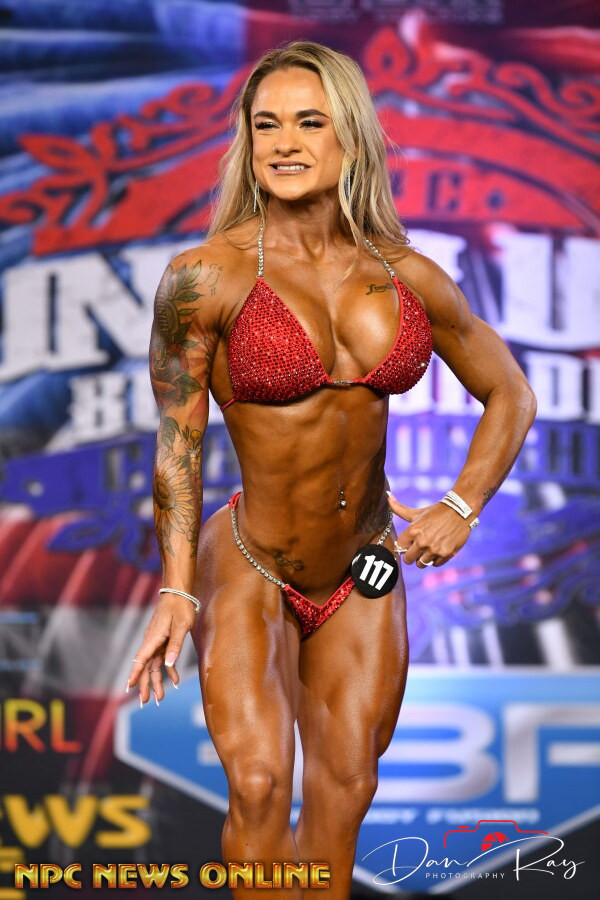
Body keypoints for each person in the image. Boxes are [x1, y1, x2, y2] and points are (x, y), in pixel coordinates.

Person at [126, 41, 536, 898]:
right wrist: (175, 589)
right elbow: (177, 441)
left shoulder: (407, 275)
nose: (285, 142)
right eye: (266, 124)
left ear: (350, 137)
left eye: (309, 122)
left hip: (364, 568)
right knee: (259, 784)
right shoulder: (205, 277)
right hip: (252, 559)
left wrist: (462, 505)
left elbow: (511, 394)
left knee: (345, 792)